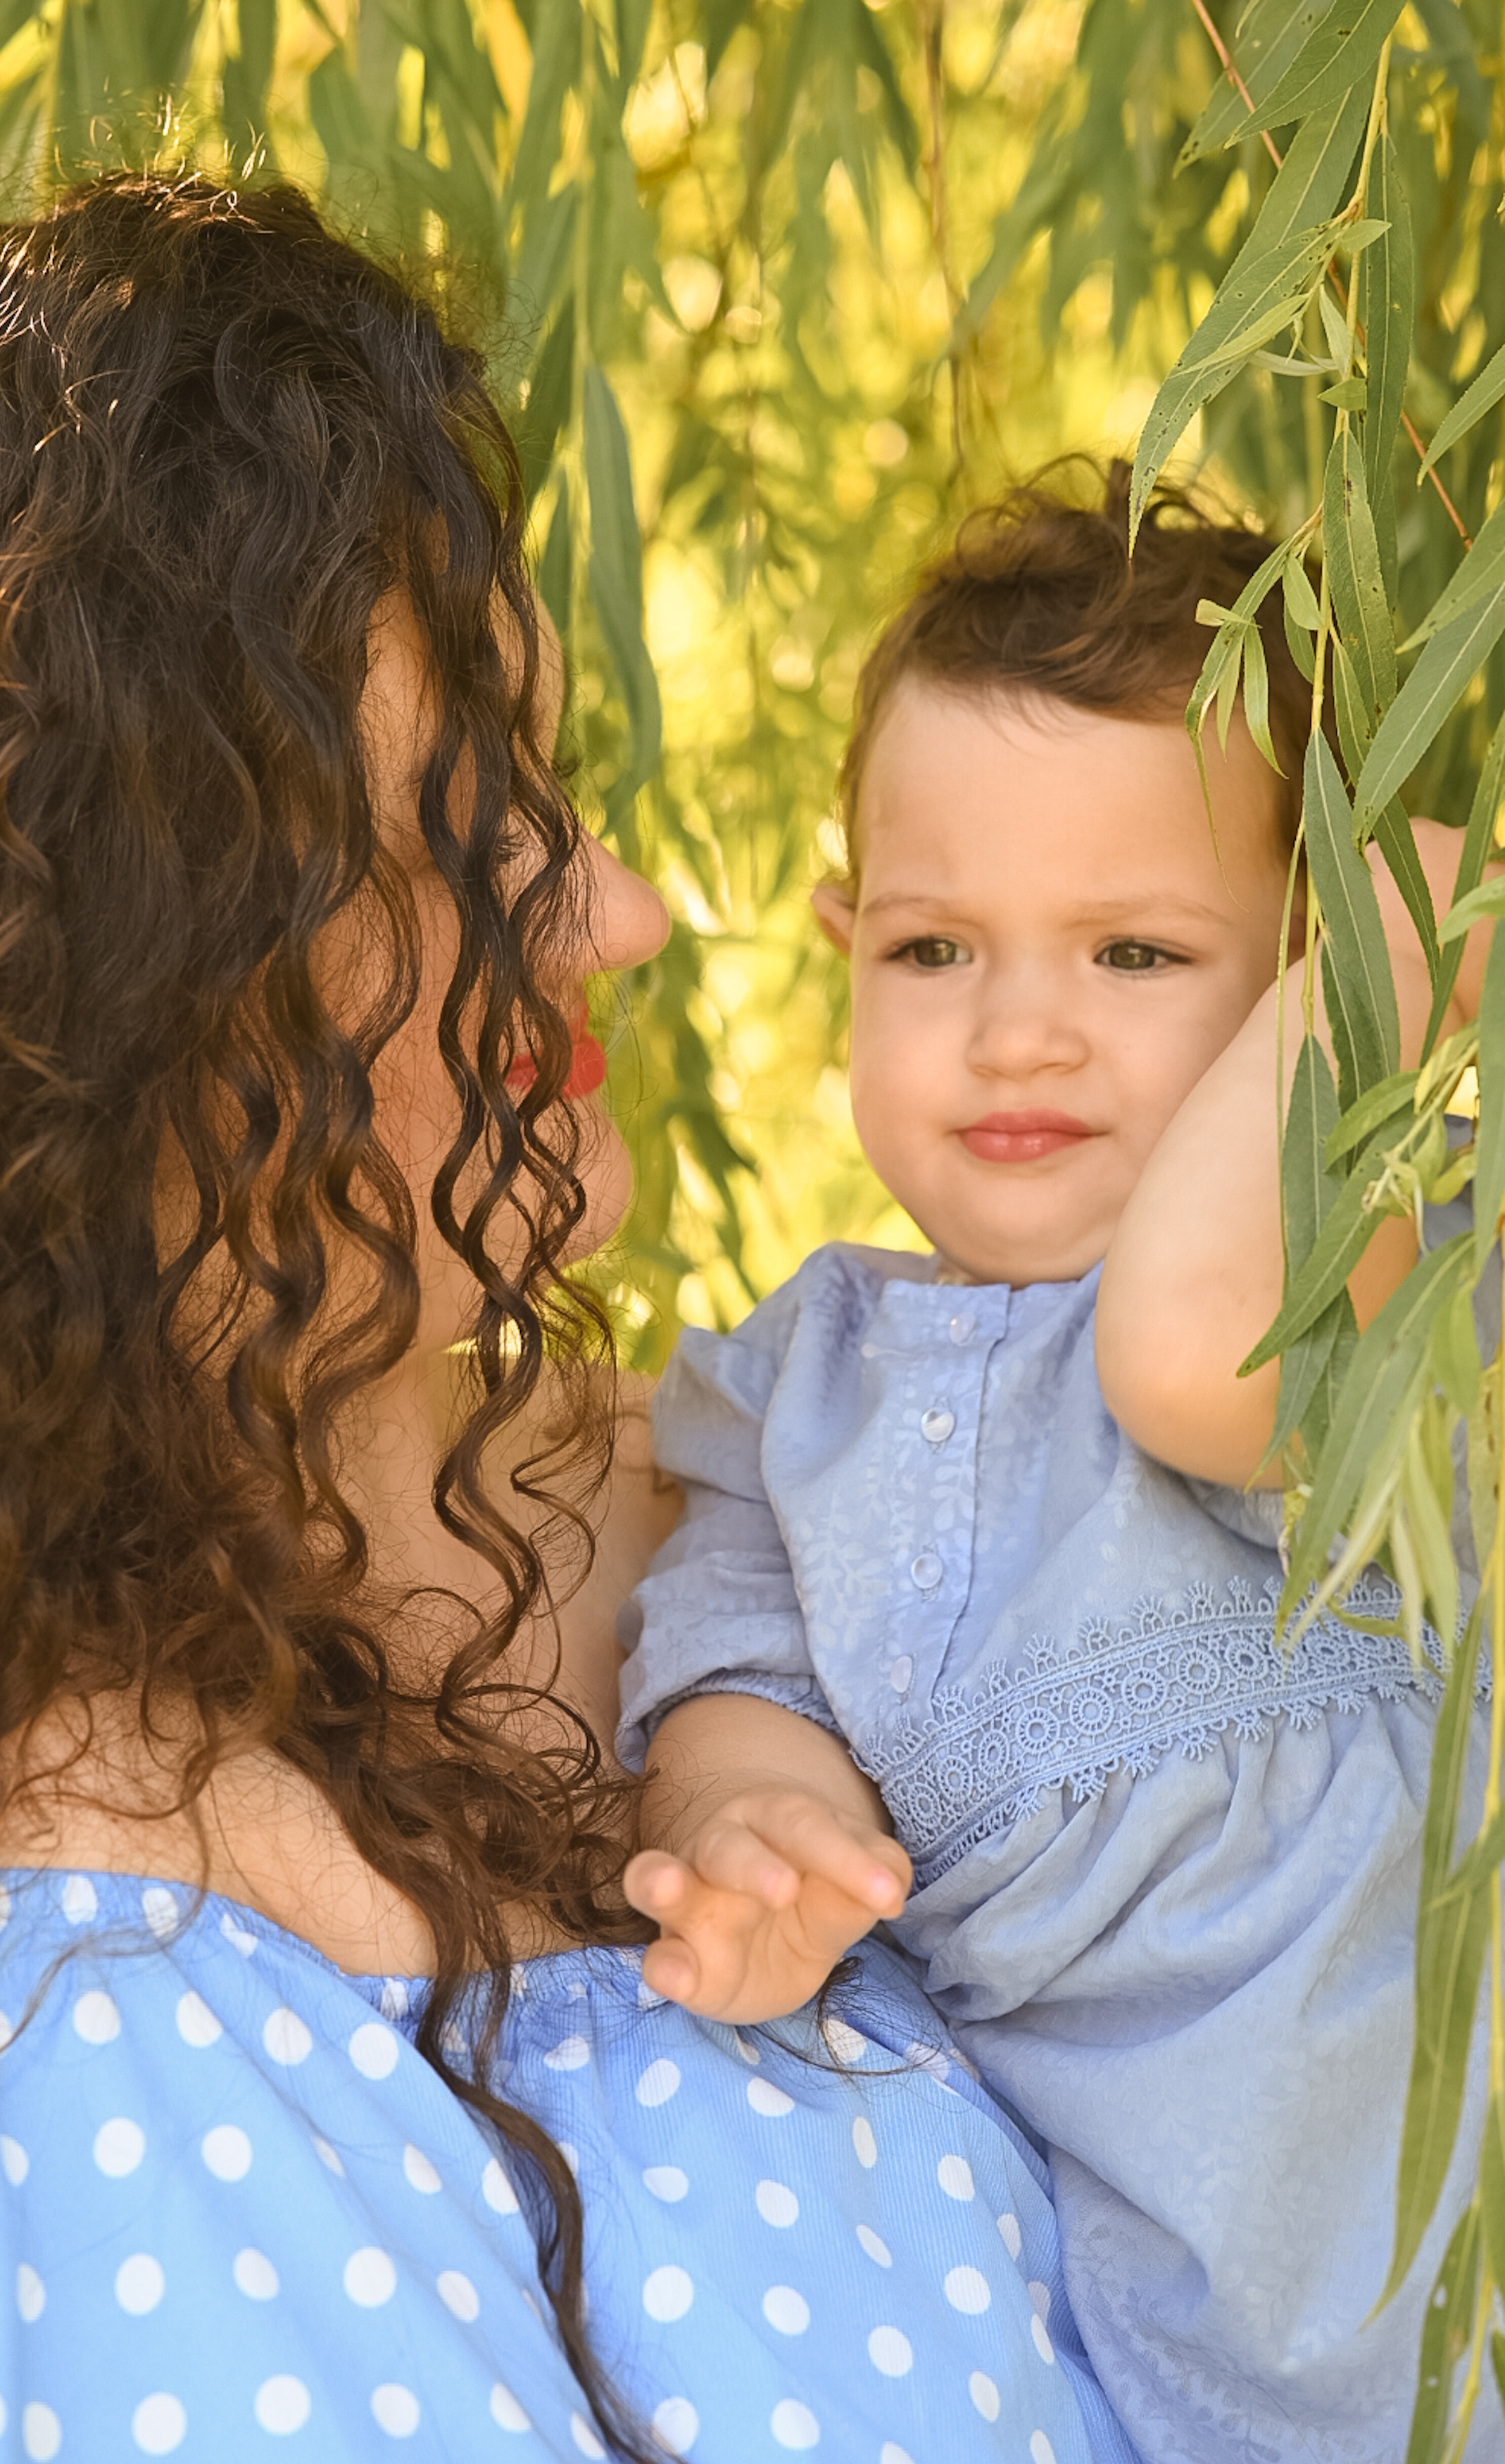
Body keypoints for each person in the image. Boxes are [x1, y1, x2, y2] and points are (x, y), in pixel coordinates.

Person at [0, 177, 1138, 2464]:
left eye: (557, 787)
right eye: (465, 838)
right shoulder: (33, 2014)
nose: (624, 911)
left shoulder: (813, 1518)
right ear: (140, 990)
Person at [617, 464, 1494, 2464]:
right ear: (839, 945)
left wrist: (1409, 954)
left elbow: (1195, 1353)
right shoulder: (785, 1387)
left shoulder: (1373, 1286)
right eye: (933, 952)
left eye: (1134, 956)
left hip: (1432, 2293)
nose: (1019, 1031)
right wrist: (759, 1821)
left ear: (1313, 988)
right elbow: (729, 1661)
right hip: (1152, 2369)